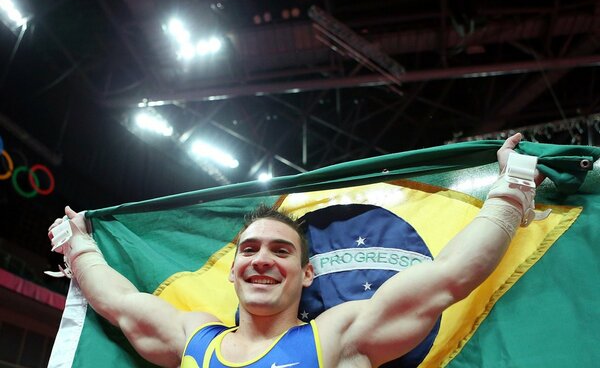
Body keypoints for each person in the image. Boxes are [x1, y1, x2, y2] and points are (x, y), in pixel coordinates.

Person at [48, 133, 546, 368]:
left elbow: (450, 277)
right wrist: (80, 247)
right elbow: (119, 303)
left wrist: (509, 193)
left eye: (281, 251)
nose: (262, 258)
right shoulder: (193, 338)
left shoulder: (340, 337)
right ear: (233, 269)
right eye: (250, 249)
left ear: (308, 273)